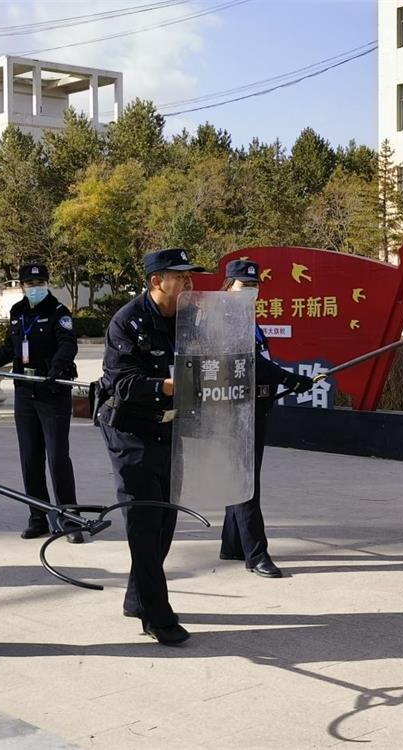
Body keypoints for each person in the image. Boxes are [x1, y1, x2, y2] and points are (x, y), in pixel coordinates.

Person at [95, 248, 204, 645]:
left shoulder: (191, 319)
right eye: (182, 276)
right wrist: (169, 387)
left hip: (172, 431)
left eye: (191, 276)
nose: (190, 283)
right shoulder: (127, 322)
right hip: (130, 433)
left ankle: (137, 597)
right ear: (158, 281)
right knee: (145, 522)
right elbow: (121, 384)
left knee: (164, 524)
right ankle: (158, 617)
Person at [0, 263, 80, 541]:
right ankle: (38, 515)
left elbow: (68, 343)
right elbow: (9, 348)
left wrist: (58, 367)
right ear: (23, 285)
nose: (35, 287)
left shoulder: (59, 312)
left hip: (52, 393)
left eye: (40, 282)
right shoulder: (18, 312)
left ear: (47, 283)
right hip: (25, 394)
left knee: (57, 457)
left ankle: (70, 518)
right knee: (30, 458)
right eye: (30, 283)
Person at [217, 260, 312, 578]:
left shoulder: (249, 319)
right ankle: (256, 555)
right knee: (246, 484)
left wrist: (280, 384)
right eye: (245, 285)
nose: (251, 292)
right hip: (232, 411)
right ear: (228, 286)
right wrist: (290, 379)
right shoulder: (223, 318)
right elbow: (249, 361)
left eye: (255, 286)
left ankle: (233, 544)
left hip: (253, 408)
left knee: (238, 478)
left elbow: (260, 360)